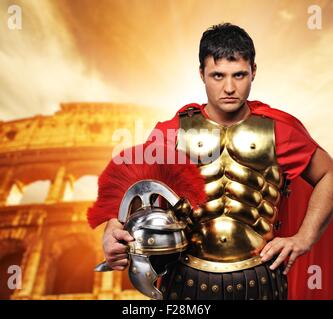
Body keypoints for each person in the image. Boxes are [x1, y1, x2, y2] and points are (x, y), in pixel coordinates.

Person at [89, 23, 333, 300]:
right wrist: (112, 228)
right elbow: (130, 185)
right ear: (202, 74)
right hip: (187, 279)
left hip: (260, 277)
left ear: (254, 71)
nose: (229, 87)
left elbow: (329, 174)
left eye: (239, 75)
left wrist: (304, 238)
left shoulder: (279, 130)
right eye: (218, 76)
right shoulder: (172, 132)